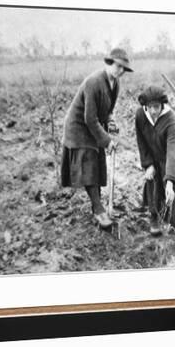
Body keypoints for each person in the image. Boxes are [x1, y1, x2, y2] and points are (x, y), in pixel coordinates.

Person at [61, 48, 133, 228]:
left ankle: (98, 206)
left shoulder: (115, 84)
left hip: (92, 126)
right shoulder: (93, 82)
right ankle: (99, 210)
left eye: (124, 68)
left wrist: (111, 121)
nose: (120, 71)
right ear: (109, 63)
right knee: (89, 167)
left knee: (97, 166)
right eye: (118, 66)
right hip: (78, 128)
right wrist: (107, 141)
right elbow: (89, 118)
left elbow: (107, 112)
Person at [135, 86, 175, 251]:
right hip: (155, 149)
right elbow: (141, 140)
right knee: (152, 177)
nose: (154, 111)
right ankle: (154, 215)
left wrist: (169, 181)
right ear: (145, 105)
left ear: (162, 105)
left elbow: (172, 153)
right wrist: (148, 164)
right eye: (151, 106)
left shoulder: (171, 121)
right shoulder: (140, 115)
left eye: (157, 106)